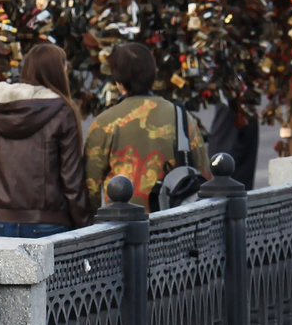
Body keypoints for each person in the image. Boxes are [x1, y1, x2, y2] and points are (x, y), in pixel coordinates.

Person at [0, 42, 87, 237]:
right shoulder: (62, 111)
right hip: (49, 223)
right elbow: (71, 180)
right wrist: (85, 225)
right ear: (57, 72)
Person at [84, 42, 209, 209]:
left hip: (123, 224)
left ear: (117, 79)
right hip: (174, 223)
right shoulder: (181, 116)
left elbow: (90, 187)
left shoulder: (104, 124)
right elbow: (204, 173)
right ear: (153, 73)